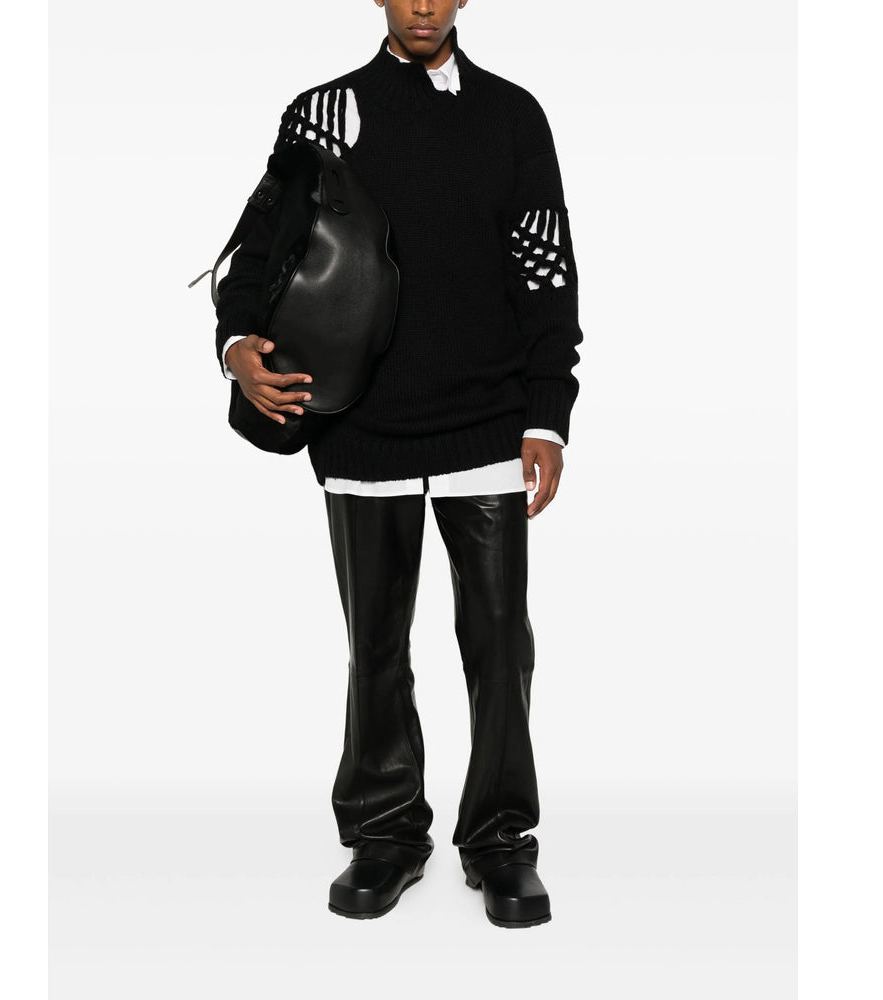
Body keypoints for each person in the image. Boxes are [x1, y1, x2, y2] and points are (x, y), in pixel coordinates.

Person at [214, 0, 583, 928]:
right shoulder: (324, 112)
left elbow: (546, 270)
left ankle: (500, 840)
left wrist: (548, 416)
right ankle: (384, 834)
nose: (423, 4)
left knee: (500, 646)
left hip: (488, 424)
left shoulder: (512, 115)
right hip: (362, 428)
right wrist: (236, 345)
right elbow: (261, 250)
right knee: (375, 646)